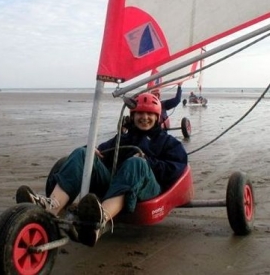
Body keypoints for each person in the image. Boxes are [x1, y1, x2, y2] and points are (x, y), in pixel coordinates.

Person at [16, 93, 188, 247]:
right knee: (84, 153)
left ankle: (100, 219)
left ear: (157, 117)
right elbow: (102, 152)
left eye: (150, 114)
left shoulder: (168, 142)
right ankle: (50, 207)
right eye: (140, 113)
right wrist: (92, 151)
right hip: (117, 185)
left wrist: (148, 162)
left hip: (149, 189)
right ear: (133, 115)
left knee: (135, 163)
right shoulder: (124, 138)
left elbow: (176, 168)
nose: (144, 117)